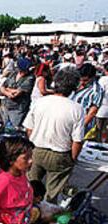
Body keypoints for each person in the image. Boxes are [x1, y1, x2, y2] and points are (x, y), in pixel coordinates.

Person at [23, 67, 84, 202]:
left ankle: (28, 213)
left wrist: (33, 145)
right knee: (51, 194)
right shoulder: (77, 109)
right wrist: (72, 159)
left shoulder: (40, 102)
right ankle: (45, 214)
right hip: (60, 154)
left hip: (36, 150)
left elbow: (29, 128)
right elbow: (77, 140)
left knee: (30, 187)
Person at [0, 58, 35, 128]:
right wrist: (8, 92)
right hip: (6, 105)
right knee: (5, 128)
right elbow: (2, 87)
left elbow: (17, 93)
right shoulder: (14, 73)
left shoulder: (30, 77)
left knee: (15, 129)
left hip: (18, 108)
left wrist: (7, 89)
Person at [72, 63, 104, 132]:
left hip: (82, 124)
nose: (82, 82)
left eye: (85, 80)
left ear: (93, 77)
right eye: (81, 80)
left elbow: (92, 112)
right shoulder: (77, 84)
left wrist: (79, 128)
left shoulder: (96, 90)